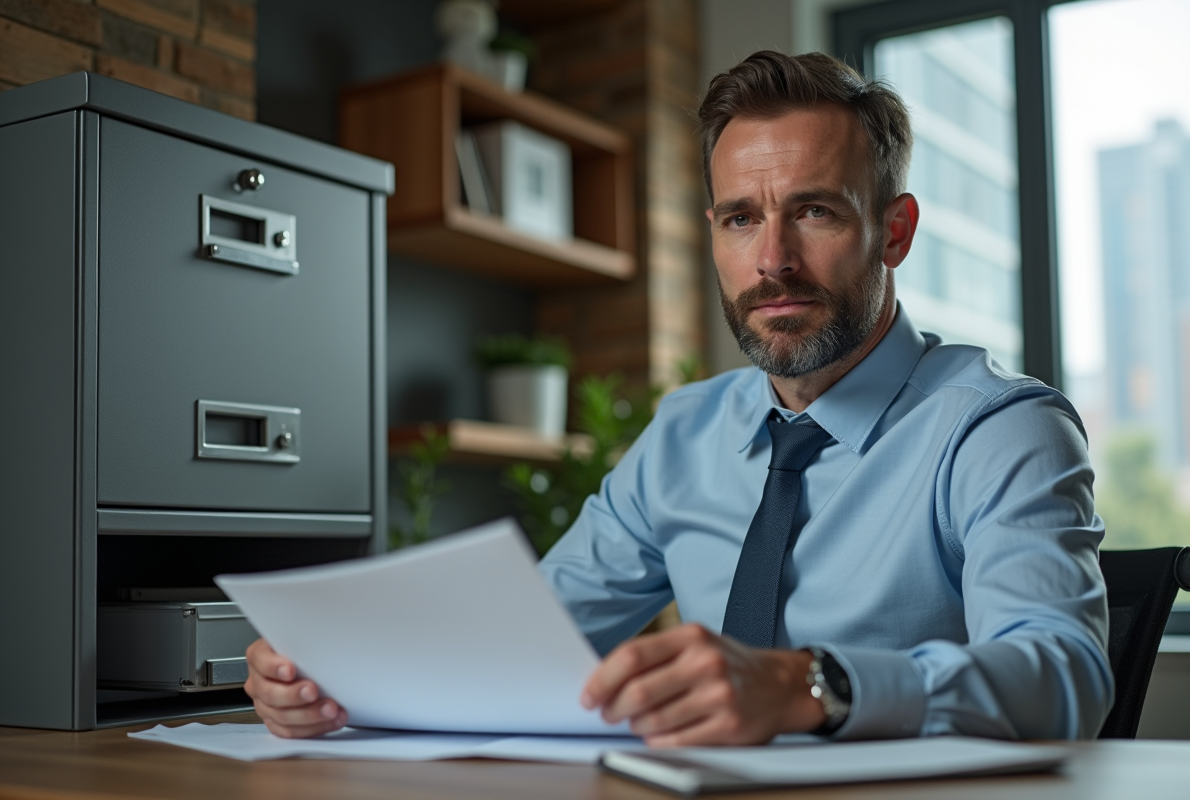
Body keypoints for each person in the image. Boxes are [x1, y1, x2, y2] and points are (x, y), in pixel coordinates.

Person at [244, 51, 1113, 744]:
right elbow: (531, 634)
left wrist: (812, 685)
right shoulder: (686, 432)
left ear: (895, 230)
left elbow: (1063, 676)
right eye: (741, 218)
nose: (772, 260)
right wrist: (338, 677)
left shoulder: (1001, 429)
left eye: (814, 211)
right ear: (714, 235)